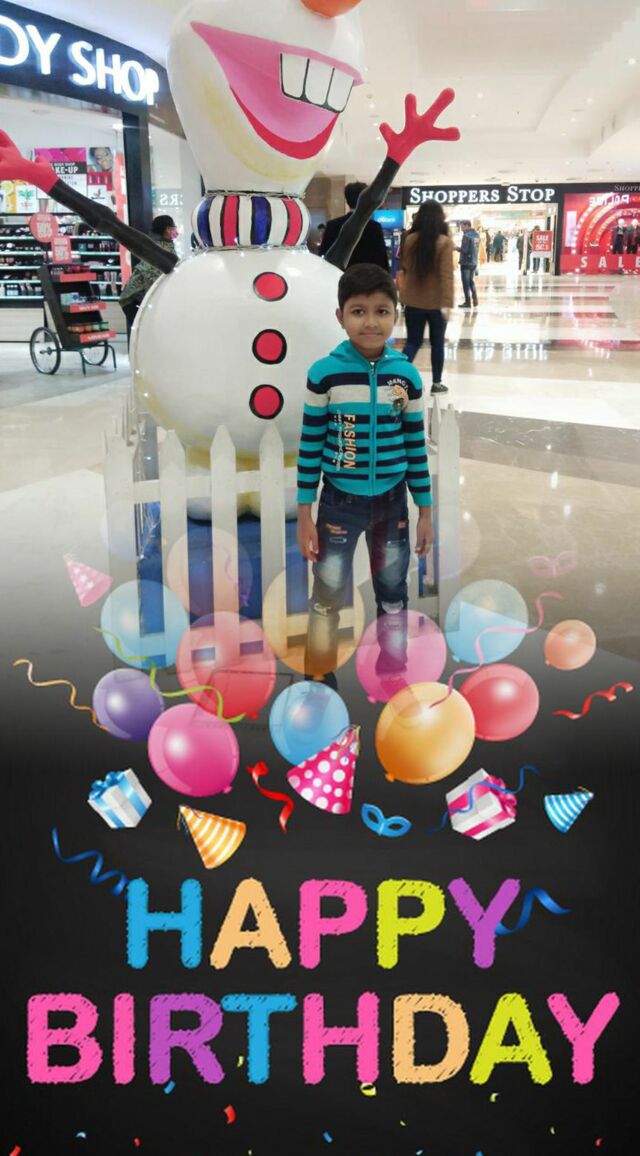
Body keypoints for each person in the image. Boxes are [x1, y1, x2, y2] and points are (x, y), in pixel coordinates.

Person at [296, 263, 433, 685]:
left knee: (393, 591)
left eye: (381, 311)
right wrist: (304, 513)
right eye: (358, 311)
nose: (370, 322)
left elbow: (415, 446)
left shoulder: (406, 376)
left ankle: (393, 664)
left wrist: (425, 510)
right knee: (328, 593)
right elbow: (310, 446)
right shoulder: (324, 374)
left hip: (393, 503)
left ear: (396, 315)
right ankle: (319, 670)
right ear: (340, 316)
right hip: (339, 503)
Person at [397, 200, 454, 394]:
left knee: (413, 342)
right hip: (436, 304)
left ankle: (398, 378)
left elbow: (405, 268)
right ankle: (436, 384)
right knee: (437, 343)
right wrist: (447, 304)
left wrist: (403, 296)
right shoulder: (444, 242)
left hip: (413, 301)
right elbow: (446, 276)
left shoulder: (410, 239)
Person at [119, 215, 178, 344]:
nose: (176, 231)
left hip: (136, 298)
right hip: (134, 299)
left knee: (147, 337)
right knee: (146, 338)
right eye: (174, 227)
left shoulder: (161, 244)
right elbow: (151, 275)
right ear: (167, 229)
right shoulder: (159, 247)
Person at [319, 182, 389, 269]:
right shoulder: (374, 227)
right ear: (366, 199)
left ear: (347, 200)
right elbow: (381, 259)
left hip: (338, 275)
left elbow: (324, 256)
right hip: (366, 275)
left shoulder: (332, 225)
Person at [457, 220, 480, 309]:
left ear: (467, 225)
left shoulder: (466, 236)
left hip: (466, 262)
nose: (461, 229)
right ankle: (475, 300)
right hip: (474, 261)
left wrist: (456, 248)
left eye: (462, 227)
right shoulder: (476, 235)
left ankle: (468, 302)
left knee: (466, 283)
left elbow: (465, 250)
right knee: (471, 281)